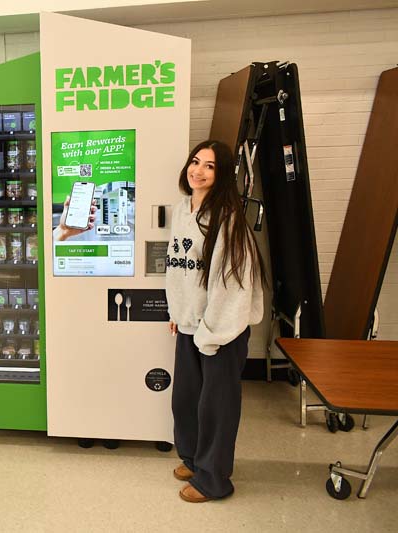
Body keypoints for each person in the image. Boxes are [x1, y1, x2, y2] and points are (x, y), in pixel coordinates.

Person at [165, 139, 265, 503]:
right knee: (186, 400)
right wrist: (178, 313)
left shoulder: (228, 218)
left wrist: (213, 332)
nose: (199, 171)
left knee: (216, 408)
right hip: (190, 325)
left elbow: (233, 284)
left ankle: (214, 479)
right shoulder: (182, 209)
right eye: (195, 162)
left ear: (221, 175)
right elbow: (178, 270)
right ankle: (195, 459)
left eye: (209, 166)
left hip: (221, 330)